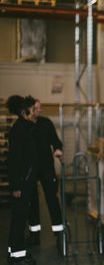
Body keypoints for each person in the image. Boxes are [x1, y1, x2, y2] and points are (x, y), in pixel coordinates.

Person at [26, 99, 64, 248]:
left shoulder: (46, 123)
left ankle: (59, 232)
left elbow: (55, 140)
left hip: (46, 167)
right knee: (32, 200)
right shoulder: (24, 125)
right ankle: (34, 234)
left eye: (40, 107)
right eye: (37, 108)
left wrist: (58, 148)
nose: (40, 110)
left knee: (52, 198)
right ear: (29, 110)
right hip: (30, 168)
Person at [6, 95, 38, 265]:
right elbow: (15, 160)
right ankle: (18, 255)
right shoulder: (20, 131)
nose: (35, 113)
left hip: (25, 182)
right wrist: (17, 185)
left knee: (18, 218)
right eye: (33, 110)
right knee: (19, 219)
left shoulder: (25, 129)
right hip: (21, 183)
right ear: (24, 112)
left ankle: (13, 250)